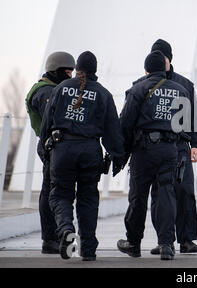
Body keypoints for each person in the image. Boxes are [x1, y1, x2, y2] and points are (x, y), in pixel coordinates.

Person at [40, 51, 125, 261]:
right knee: (88, 199)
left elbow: (46, 123)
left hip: (63, 150)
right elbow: (113, 130)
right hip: (90, 151)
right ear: (96, 70)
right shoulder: (103, 94)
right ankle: (88, 249)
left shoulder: (61, 88)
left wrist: (44, 149)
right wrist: (117, 157)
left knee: (60, 195)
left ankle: (66, 230)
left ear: (77, 69)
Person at [117, 50, 189, 260]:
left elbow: (126, 123)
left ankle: (133, 243)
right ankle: (167, 244)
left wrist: (120, 152)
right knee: (166, 195)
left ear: (146, 69)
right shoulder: (181, 90)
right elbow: (185, 124)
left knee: (138, 197)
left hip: (144, 150)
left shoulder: (138, 89)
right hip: (169, 150)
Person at [25, 51, 75, 254]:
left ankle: (55, 236)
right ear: (55, 71)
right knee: (50, 192)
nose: (70, 76)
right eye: (67, 72)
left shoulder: (53, 89)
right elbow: (53, 119)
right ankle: (50, 238)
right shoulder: (46, 91)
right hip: (52, 145)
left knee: (54, 191)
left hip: (56, 146)